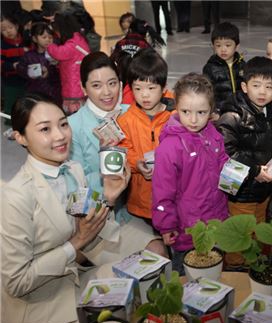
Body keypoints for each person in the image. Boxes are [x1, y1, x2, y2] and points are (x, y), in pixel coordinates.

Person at [1, 93, 128, 323]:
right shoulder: (15, 196)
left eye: (63, 123)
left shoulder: (74, 170)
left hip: (74, 280)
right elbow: (17, 283)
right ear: (20, 137)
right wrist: (76, 243)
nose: (60, 135)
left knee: (140, 286)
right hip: (35, 313)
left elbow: (87, 235)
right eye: (45, 129)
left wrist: (109, 199)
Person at [67, 51, 166, 257]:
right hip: (97, 220)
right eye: (96, 85)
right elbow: (75, 190)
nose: (107, 92)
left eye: (112, 83)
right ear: (83, 88)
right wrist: (108, 165)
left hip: (132, 211)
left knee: (160, 254)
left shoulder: (132, 111)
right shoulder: (73, 127)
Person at [152, 73, 229, 275]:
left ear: (211, 111)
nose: (193, 120)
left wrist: (234, 171)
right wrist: (166, 226)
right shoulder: (169, 148)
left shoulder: (213, 134)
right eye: (186, 111)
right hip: (187, 231)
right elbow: (162, 193)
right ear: (176, 107)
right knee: (187, 282)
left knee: (215, 277)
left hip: (216, 222)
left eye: (201, 112)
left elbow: (222, 162)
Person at [216, 56, 272, 266]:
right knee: (240, 233)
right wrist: (255, 170)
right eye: (256, 85)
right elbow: (226, 150)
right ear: (245, 87)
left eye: (268, 86)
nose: (262, 92)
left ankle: (255, 262)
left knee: (259, 225)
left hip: (264, 187)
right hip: (241, 187)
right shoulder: (232, 114)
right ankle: (236, 268)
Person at [117, 48, 174, 222]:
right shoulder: (125, 120)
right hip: (142, 200)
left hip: (174, 195)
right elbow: (123, 151)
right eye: (138, 88)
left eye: (151, 87)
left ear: (163, 88)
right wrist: (137, 164)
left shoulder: (175, 116)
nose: (145, 94)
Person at [47, 11, 90, 114]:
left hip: (74, 89)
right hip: (79, 87)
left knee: (75, 114)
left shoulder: (72, 43)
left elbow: (58, 53)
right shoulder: (78, 39)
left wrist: (49, 44)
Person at [202, 22, 246, 111]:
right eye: (218, 45)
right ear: (213, 46)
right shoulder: (210, 68)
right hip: (220, 109)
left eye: (228, 45)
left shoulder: (242, 65)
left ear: (237, 46)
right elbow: (206, 92)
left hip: (242, 107)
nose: (223, 49)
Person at [16, 22, 62, 105]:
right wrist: (29, 71)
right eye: (44, 37)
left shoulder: (57, 54)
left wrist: (53, 68)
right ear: (34, 39)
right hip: (35, 93)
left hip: (54, 93)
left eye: (50, 37)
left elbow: (62, 73)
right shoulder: (29, 55)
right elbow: (20, 69)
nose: (48, 39)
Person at [1, 13, 27, 114]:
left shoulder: (26, 40)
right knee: (12, 105)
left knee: (27, 103)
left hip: (28, 80)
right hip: (11, 82)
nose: (8, 31)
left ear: (16, 26)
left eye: (10, 27)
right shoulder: (2, 45)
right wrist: (12, 66)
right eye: (3, 29)